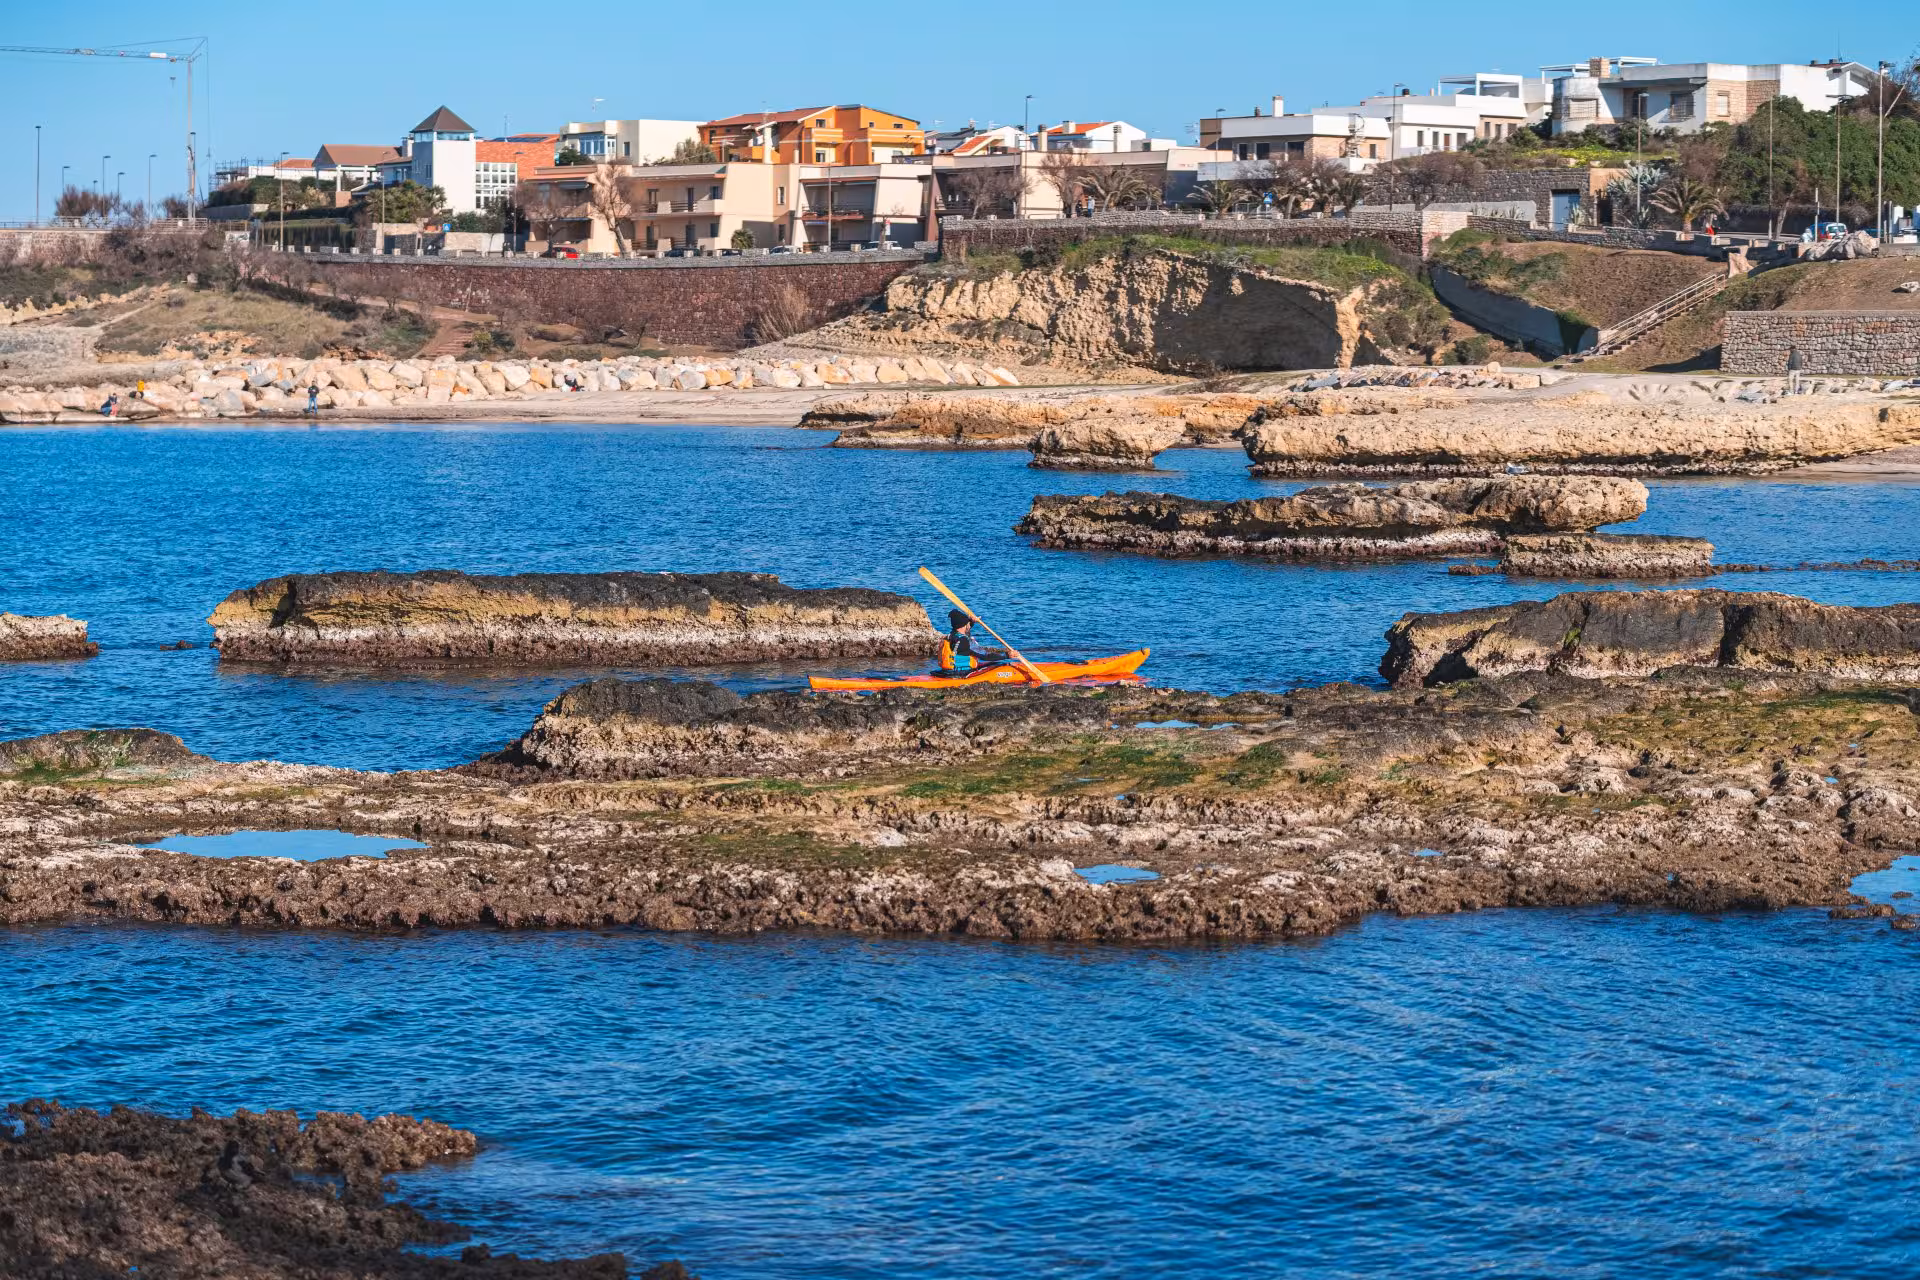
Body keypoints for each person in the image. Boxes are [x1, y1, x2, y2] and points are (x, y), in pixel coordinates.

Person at [938, 610, 1004, 672]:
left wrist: (971, 622)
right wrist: (1006, 656)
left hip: (950, 670)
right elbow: (984, 657)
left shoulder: (951, 636)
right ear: (964, 625)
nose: (969, 625)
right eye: (968, 623)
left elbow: (963, 630)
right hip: (962, 672)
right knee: (998, 663)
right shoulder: (963, 641)